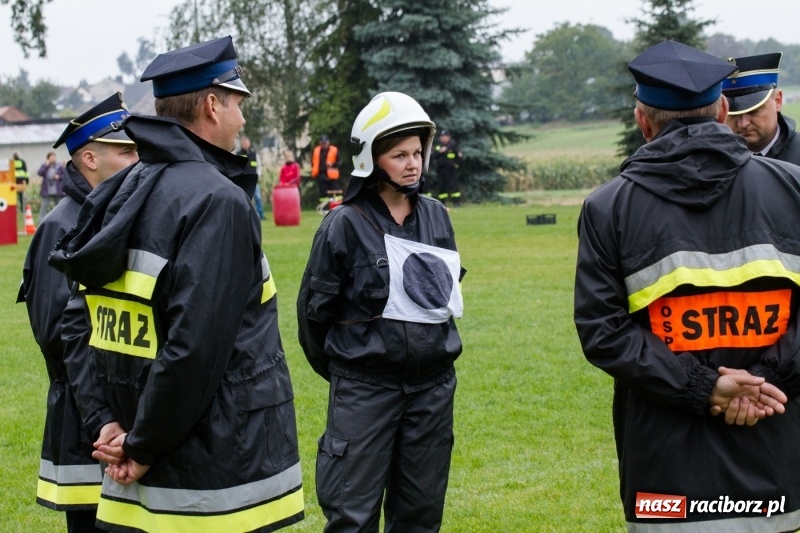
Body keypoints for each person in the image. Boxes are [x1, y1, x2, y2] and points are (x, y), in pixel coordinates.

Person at [48, 36, 304, 532]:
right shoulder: (218, 201)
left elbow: (79, 325)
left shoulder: (121, 190)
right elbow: (194, 349)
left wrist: (108, 425)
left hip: (136, 468)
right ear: (212, 104)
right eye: (237, 103)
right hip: (215, 475)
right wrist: (141, 447)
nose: (242, 119)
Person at [574, 40, 800, 532]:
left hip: (665, 466)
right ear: (723, 110)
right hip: (775, 448)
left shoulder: (607, 208)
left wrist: (707, 388)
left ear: (642, 120)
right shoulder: (792, 189)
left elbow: (603, 332)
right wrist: (767, 384)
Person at [298, 91, 465, 532]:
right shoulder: (343, 224)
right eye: (398, 155)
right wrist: (354, 371)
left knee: (421, 516)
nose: (413, 163)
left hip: (432, 390)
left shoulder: (437, 218)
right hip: (365, 390)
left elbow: (440, 303)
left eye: (417, 152)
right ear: (371, 160)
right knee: (352, 517)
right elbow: (314, 320)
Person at [17, 93, 137, 533]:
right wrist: (102, 414)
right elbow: (56, 335)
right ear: (89, 157)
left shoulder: (118, 214)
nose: (137, 159)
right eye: (126, 151)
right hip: (86, 420)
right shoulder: (60, 226)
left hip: (122, 416)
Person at [723, 52, 800, 164]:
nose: (743, 123)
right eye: (734, 113)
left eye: (753, 111)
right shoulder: (714, 161)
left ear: (778, 101)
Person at [237, 135, 266, 219]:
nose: (245, 144)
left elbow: (259, 166)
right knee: (246, 199)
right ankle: (248, 216)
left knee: (258, 198)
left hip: (254, 179)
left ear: (249, 143)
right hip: (243, 180)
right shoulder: (238, 154)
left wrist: (258, 175)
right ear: (241, 144)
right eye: (244, 143)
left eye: (246, 143)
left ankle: (261, 216)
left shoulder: (254, 154)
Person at [433, 129, 462, 207]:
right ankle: (442, 204)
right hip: (441, 170)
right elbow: (433, 155)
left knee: (454, 186)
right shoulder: (438, 146)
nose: (443, 138)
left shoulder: (453, 146)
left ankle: (456, 203)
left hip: (451, 170)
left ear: (449, 137)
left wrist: (455, 163)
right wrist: (440, 151)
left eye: (445, 136)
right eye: (442, 137)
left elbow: (459, 156)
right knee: (441, 187)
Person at [310, 134, 341, 203]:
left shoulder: (334, 150)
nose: (324, 144)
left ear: (328, 142)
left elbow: (339, 162)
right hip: (320, 174)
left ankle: (338, 205)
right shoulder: (316, 150)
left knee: (336, 192)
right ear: (319, 143)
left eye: (325, 142)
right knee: (323, 193)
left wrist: (332, 164)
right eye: (322, 143)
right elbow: (313, 162)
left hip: (332, 176)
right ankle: (325, 207)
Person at [37, 151, 65, 221]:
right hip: (47, 190)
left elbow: (65, 175)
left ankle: (60, 219)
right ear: (48, 158)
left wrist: (59, 177)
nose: (53, 159)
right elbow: (40, 173)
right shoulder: (45, 165)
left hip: (57, 190)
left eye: (54, 157)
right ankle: (41, 221)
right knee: (44, 206)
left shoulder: (59, 165)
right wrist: (46, 165)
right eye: (51, 157)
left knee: (59, 206)